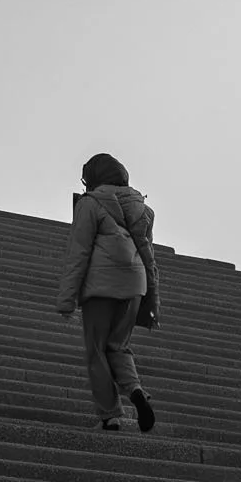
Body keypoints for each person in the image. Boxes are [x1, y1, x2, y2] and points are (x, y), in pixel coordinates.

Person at [57, 153, 160, 431]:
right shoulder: (142, 209)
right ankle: (136, 391)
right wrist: (151, 299)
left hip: (102, 287)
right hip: (134, 287)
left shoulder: (90, 204)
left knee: (97, 351)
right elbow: (149, 256)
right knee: (119, 346)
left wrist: (67, 299)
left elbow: (78, 252)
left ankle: (110, 415)